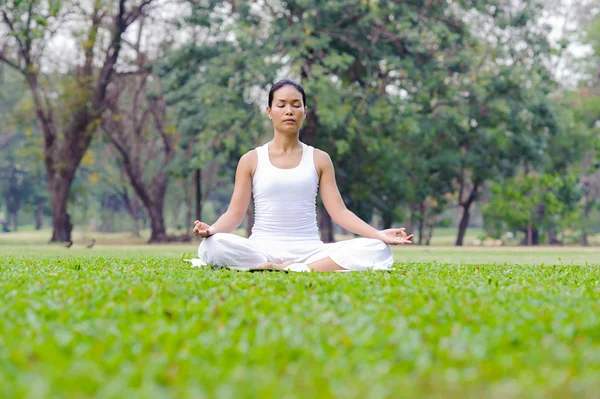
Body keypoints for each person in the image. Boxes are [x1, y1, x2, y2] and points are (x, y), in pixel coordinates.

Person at [192, 79, 413, 272]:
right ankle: (272, 264)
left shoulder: (319, 159)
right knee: (212, 245)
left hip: (309, 250)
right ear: (269, 111)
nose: (289, 111)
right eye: (281, 105)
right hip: (260, 248)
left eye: (296, 105)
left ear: (304, 112)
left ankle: (298, 269)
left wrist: (378, 234)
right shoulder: (251, 159)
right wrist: (211, 230)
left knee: (378, 250)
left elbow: (340, 212)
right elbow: (234, 214)